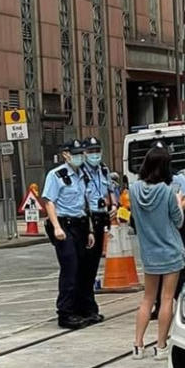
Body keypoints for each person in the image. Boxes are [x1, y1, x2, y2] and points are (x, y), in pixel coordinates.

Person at [130, 142, 185, 360]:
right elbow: (178, 221)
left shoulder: (134, 191)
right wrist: (178, 201)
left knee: (147, 299)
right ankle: (161, 345)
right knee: (166, 299)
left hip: (149, 253)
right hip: (170, 252)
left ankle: (137, 344)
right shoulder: (167, 191)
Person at [41, 140, 97, 329]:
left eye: (81, 153)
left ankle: (81, 309)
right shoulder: (56, 175)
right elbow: (49, 202)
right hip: (65, 225)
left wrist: (89, 230)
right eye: (76, 153)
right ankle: (65, 313)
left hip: (81, 224)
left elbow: (85, 203)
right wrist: (57, 227)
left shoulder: (83, 175)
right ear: (66, 154)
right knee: (70, 269)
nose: (80, 156)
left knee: (82, 268)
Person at [76, 136, 116, 323]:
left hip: (101, 217)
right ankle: (84, 306)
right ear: (83, 154)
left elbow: (110, 190)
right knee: (84, 264)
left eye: (97, 151)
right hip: (88, 218)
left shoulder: (103, 170)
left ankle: (88, 306)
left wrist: (113, 204)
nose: (95, 155)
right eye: (90, 152)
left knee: (93, 266)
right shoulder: (80, 172)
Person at [151, 167, 185, 320]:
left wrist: (174, 210)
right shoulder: (149, 181)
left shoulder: (178, 178)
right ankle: (159, 305)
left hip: (176, 227)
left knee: (179, 267)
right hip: (158, 229)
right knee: (157, 269)